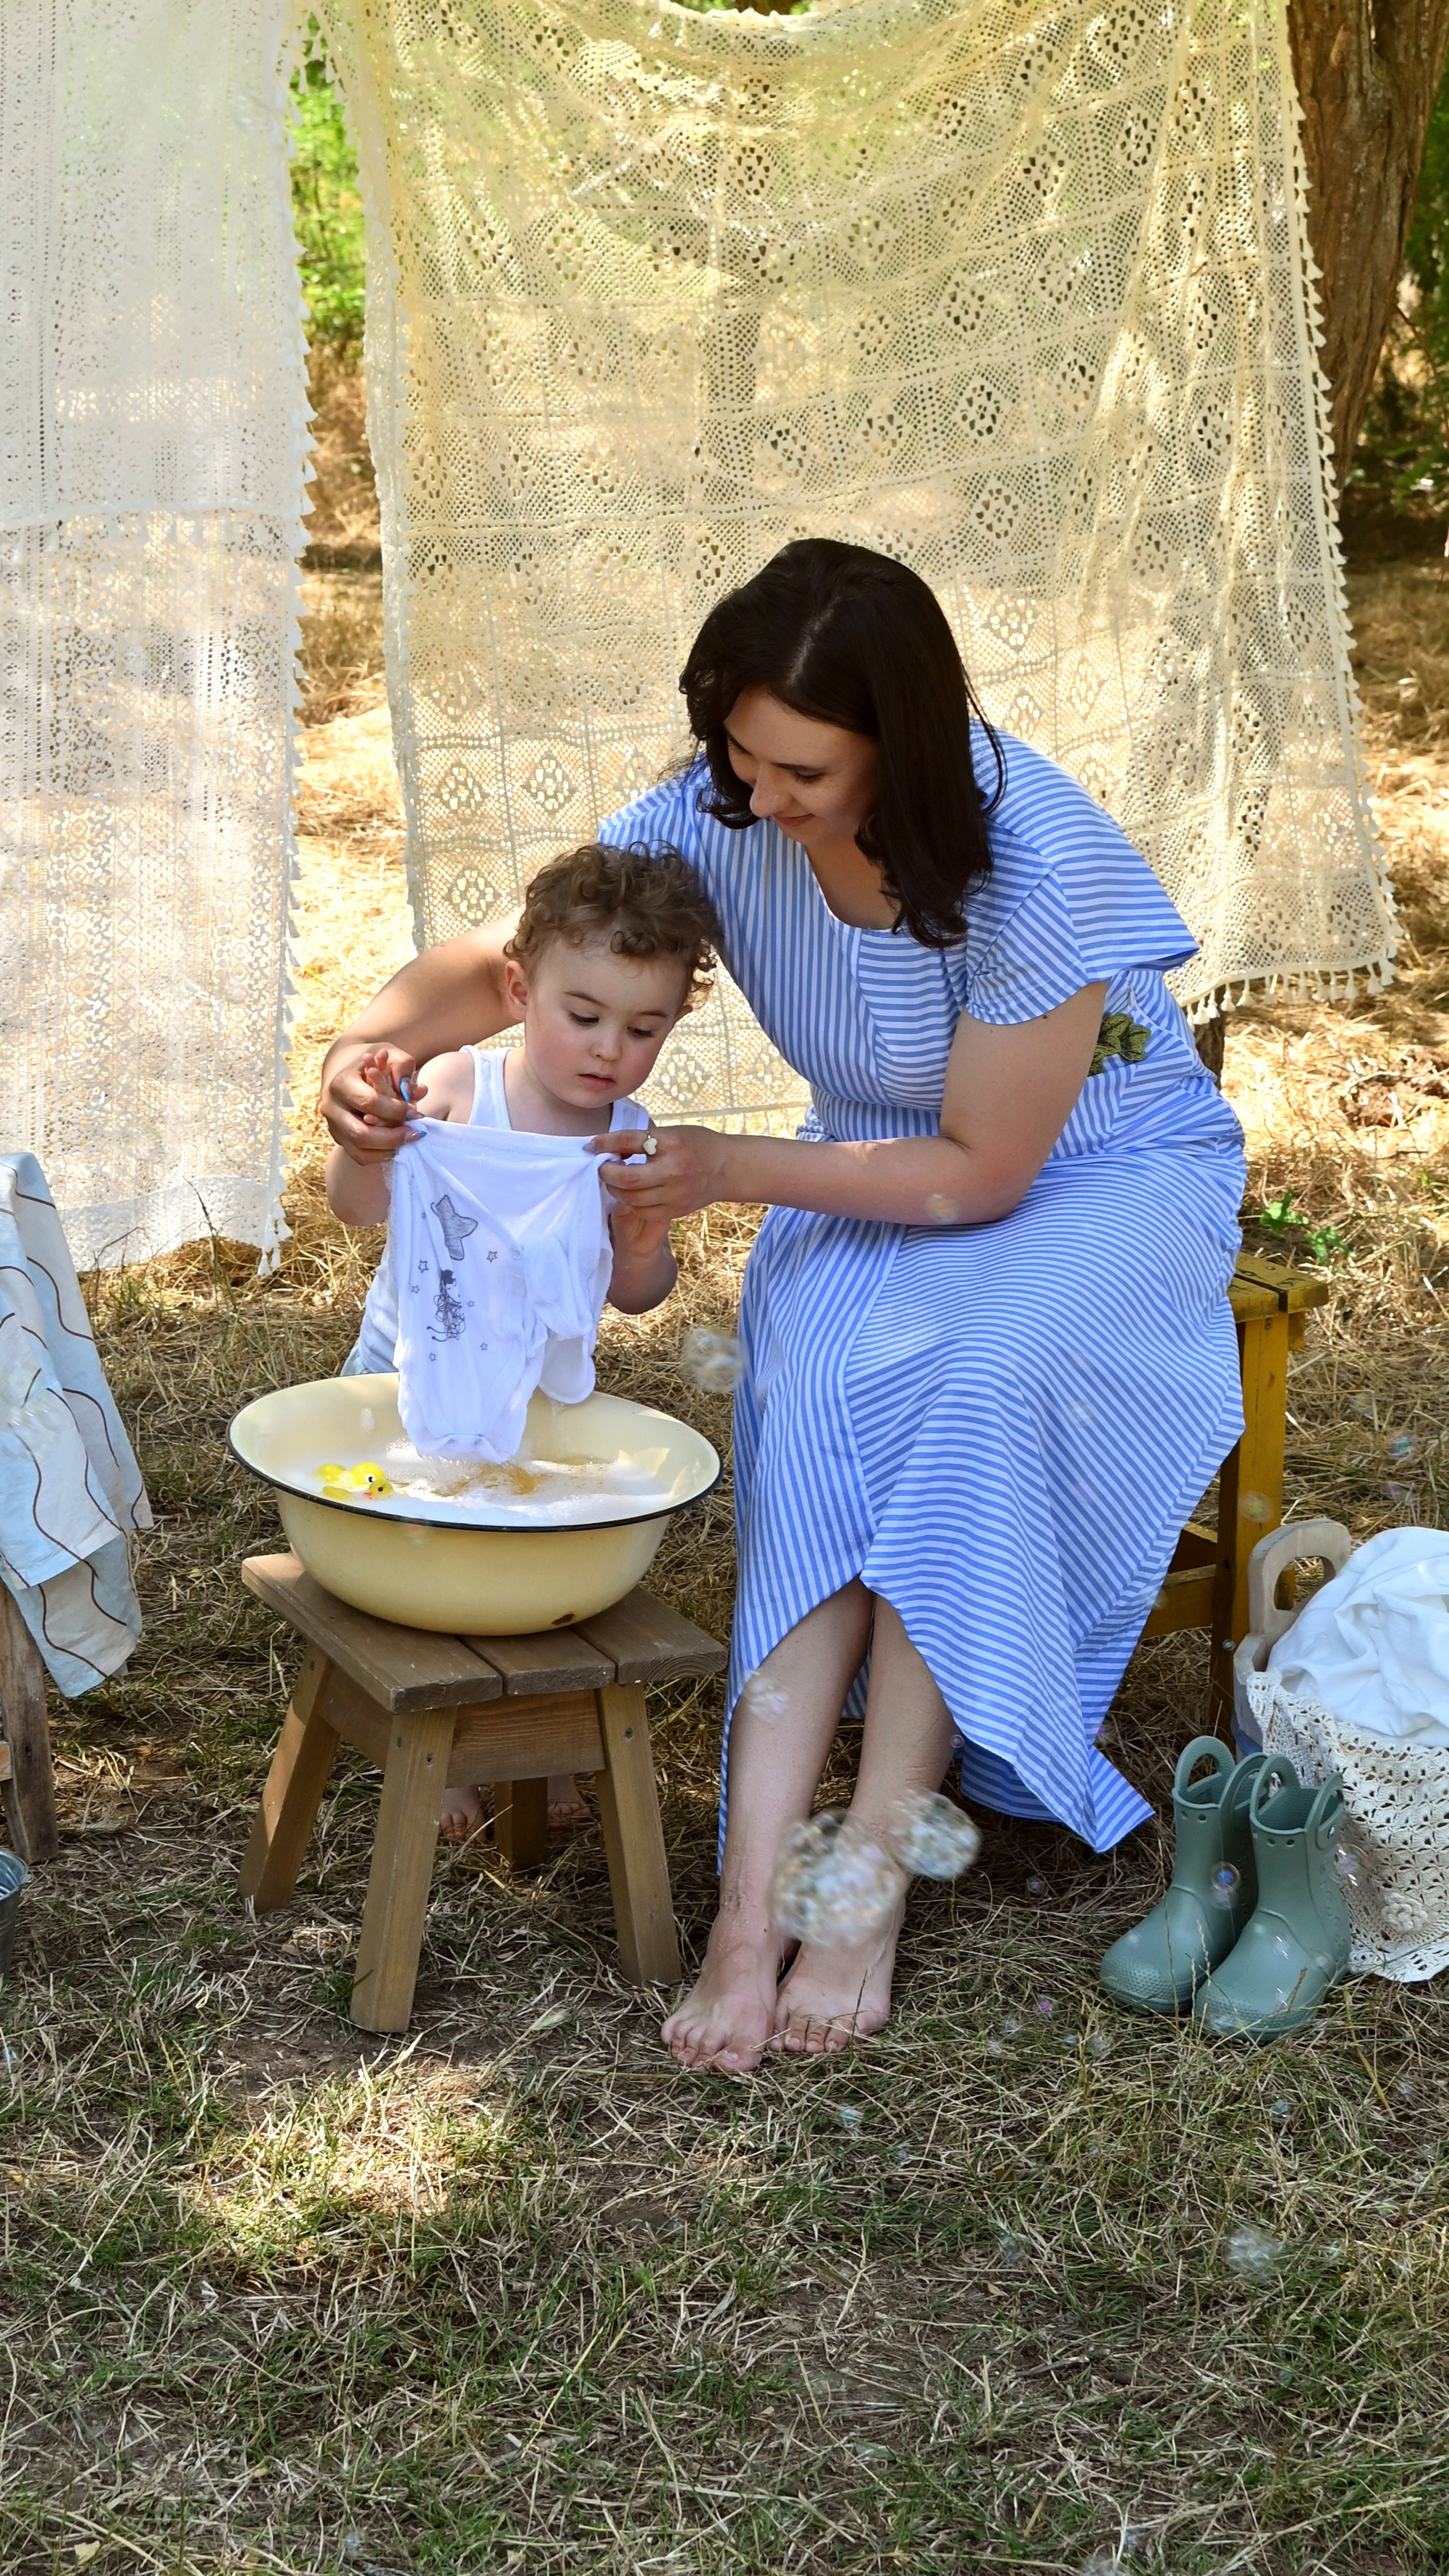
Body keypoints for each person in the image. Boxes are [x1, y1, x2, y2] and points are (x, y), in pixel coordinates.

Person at [322, 539, 1245, 2074]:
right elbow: (509, 964)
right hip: (866, 1167)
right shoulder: (720, 808)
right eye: (736, 755)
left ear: (908, 740)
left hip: (1088, 1180)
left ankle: (864, 1877)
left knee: (980, 1384)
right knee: (812, 1385)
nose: (756, 799)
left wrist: (718, 1166)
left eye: (800, 767)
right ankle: (750, 1914)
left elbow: (981, 1173)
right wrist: (362, 1048)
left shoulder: (1038, 862)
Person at [326, 837, 720, 1843]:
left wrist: (639, 1235)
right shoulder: (460, 1090)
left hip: (541, 1401)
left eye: (644, 1028)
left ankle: (536, 1749)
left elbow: (640, 1293)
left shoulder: (626, 1134)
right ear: (518, 988)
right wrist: (369, 1142)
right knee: (432, 1569)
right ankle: (445, 1747)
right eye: (582, 1016)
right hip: (413, 1382)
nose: (607, 1050)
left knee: (529, 1571)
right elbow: (355, 1209)